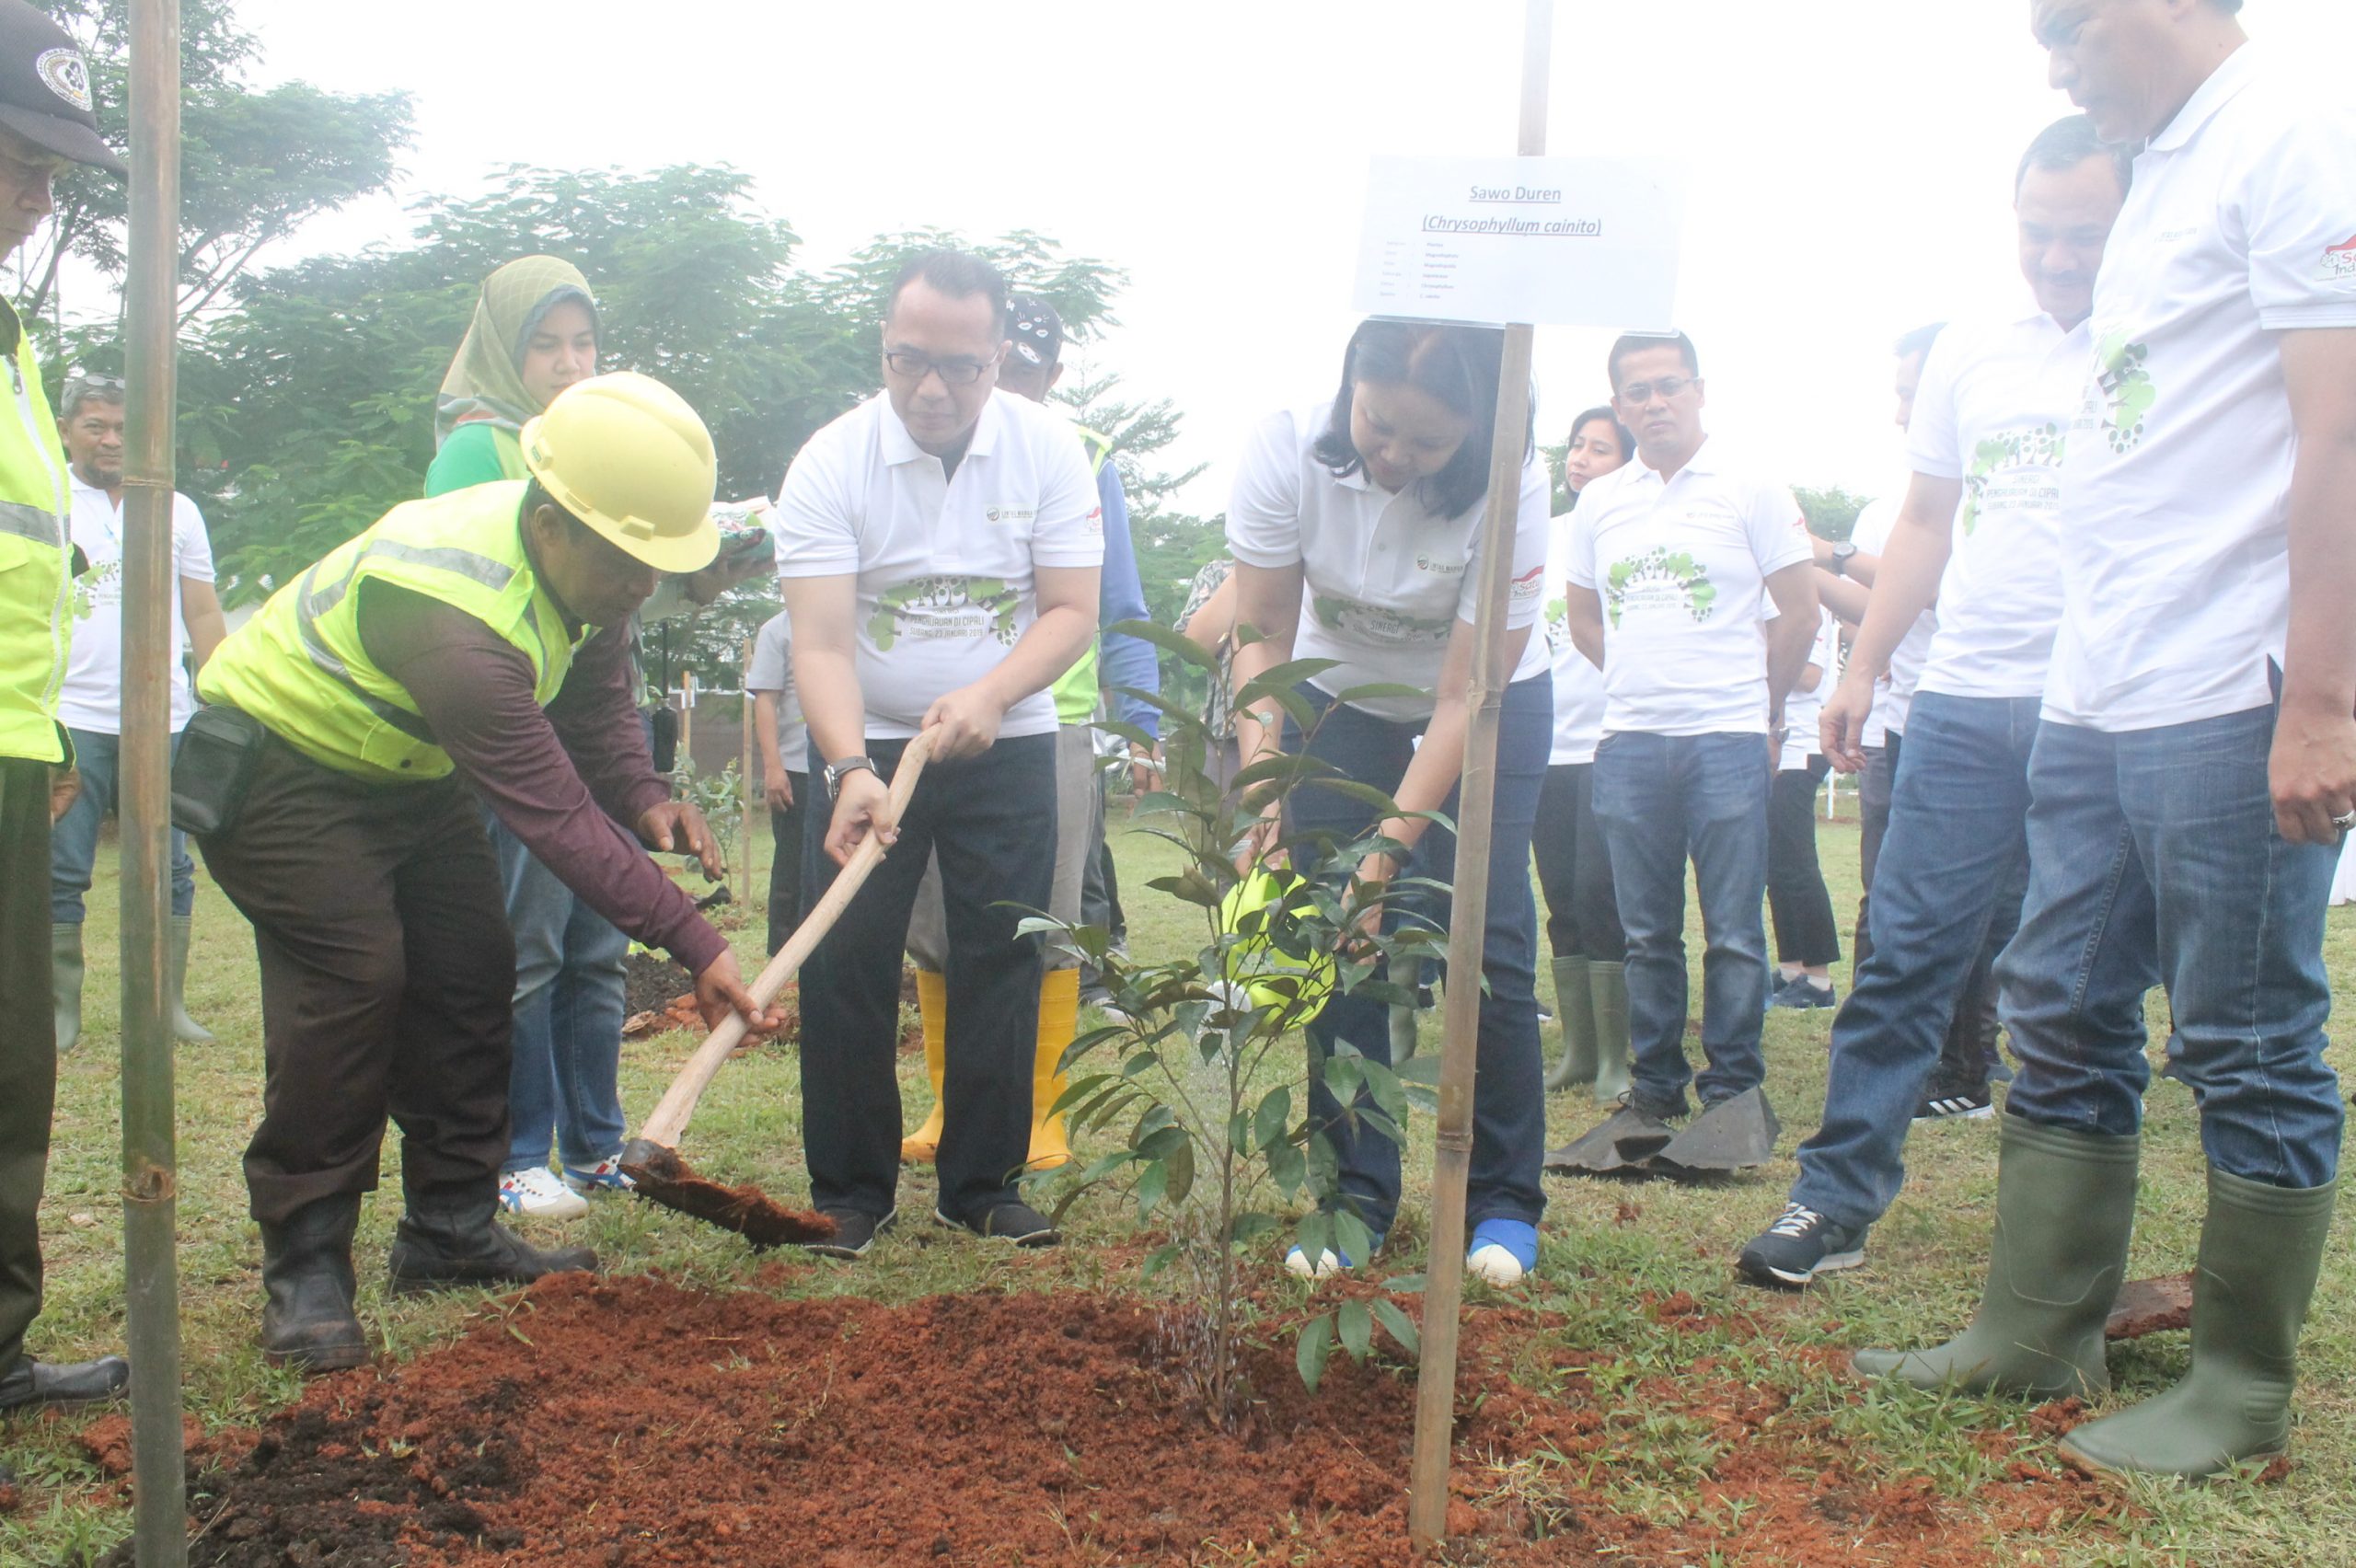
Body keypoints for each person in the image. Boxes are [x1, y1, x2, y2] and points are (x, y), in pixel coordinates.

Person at [1859, 1, 2356, 1482]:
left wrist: (2322, 697)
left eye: (2068, 29)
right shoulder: (2153, 177)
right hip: (2098, 680)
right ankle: (2036, 1327)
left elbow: (2339, 432)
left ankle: (2239, 1385)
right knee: (2059, 1003)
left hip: (2227, 679)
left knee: (2243, 1035)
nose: (2055, 62)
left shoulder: (2295, 139)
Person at [194, 372, 768, 1371]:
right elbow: (553, 819)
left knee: (470, 968)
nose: (643, 585)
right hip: (283, 763)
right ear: (552, 524)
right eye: (628, 562)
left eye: (655, 565)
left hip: (403, 774)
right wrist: (694, 938)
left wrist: (643, 788)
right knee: (355, 982)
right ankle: (306, 1266)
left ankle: (450, 1231)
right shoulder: (455, 613)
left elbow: (593, 693)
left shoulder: (584, 564)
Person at [1736, 114, 2128, 1289]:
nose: (2060, 260)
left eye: (2087, 236)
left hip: (2105, 702)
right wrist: (1862, 671)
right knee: (1903, 953)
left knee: (2075, 981)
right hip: (1962, 703)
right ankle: (1832, 1201)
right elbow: (1923, 522)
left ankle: (2056, 1250)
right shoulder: (1971, 347)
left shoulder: (2175, 323)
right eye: (2039, 234)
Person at [777, 250, 1102, 1258]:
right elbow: (820, 643)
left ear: (998, 358)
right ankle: (848, 1192)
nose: (931, 387)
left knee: (1004, 951)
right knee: (847, 960)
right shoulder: (830, 461)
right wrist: (850, 768)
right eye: (907, 360)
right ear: (882, 348)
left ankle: (982, 1184)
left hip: (1007, 741)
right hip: (866, 745)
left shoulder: (1047, 450)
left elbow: (1070, 611)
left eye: (960, 366)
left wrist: (992, 696)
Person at [1229, 317, 1553, 1287]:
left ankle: (1501, 1201)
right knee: (1332, 941)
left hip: (1486, 700)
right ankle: (1354, 1192)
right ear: (1349, 389)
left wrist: (1383, 861)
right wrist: (1265, 792)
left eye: (1428, 442)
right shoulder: (1285, 448)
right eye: (1378, 426)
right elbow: (1262, 632)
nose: (1396, 457)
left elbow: (1463, 696)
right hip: (1338, 689)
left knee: (1483, 938)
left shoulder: (1513, 483)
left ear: (1478, 429)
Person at [898, 294, 1157, 1170]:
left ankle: (1040, 1110)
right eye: (1008, 371)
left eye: (1036, 371)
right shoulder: (928, 446)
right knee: (934, 916)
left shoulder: (1083, 459)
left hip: (1051, 721)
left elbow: (1116, 601)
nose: (1019, 387)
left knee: (1041, 913)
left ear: (1046, 371)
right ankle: (945, 1106)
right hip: (935, 720)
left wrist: (1144, 716)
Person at [1564, 333, 1819, 1129]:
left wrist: (1762, 708)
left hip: (1728, 739)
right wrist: (1641, 674)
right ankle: (1657, 1084)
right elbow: (1581, 617)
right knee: (1647, 933)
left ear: (1700, 390)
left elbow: (1801, 611)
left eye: (1668, 386)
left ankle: (1734, 1086)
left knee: (1736, 930)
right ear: (1619, 402)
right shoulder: (1600, 503)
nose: (1654, 403)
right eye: (1636, 392)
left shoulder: (1751, 488)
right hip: (1631, 743)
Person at [0, 0, 134, 1466]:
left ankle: (0, 1341)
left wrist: (38, 742)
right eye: (17, 162)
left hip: (17, 747)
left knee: (11, 1058)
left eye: (52, 171)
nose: (40, 199)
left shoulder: (14, 346)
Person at [425, 257, 625, 1219]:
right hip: (513, 745)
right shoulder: (478, 447)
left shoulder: (596, 452)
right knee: (531, 952)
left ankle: (598, 1147)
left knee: (598, 952)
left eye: (582, 342)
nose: (568, 362)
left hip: (584, 745)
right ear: (507, 353)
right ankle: (517, 1152)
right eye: (545, 345)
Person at [50, 371, 226, 1050]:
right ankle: (62, 1012)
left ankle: (165, 1005)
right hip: (73, 716)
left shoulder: (176, 509)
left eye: (125, 425)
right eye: (96, 425)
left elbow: (204, 609)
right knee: (65, 866)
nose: (112, 439)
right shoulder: (49, 500)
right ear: (68, 430)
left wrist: (225, 692)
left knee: (169, 865)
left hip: (163, 719)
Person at [1820, 324, 1943, 977]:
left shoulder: (1997, 489)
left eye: (1914, 395)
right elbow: (1877, 611)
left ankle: (1970, 1054)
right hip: (1895, 723)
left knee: (1981, 897)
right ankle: (1870, 1040)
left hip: (1973, 718)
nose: (1900, 414)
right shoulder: (1881, 509)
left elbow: (1932, 589)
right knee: (1883, 890)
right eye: (1899, 395)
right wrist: (1798, 559)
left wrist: (1831, 553)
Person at [1531, 407, 1633, 1098]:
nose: (1581, 458)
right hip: (1547, 743)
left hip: (1610, 739)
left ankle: (1618, 1060)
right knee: (1562, 900)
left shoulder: (1632, 532)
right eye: (1576, 445)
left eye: (1600, 448)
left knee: (1603, 896)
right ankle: (1577, 1050)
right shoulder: (1545, 536)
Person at [1763, 607, 1842, 1009]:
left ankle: (1820, 979)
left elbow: (1809, 677)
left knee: (1797, 862)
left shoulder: (1811, 608)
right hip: (1776, 744)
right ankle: (1793, 967)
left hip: (1801, 746)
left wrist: (1753, 651)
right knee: (1777, 863)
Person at [748, 608, 808, 956]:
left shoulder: (850, 620)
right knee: (792, 866)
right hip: (796, 770)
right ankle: (783, 957)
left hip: (848, 769)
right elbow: (766, 702)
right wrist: (773, 767)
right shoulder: (777, 630)